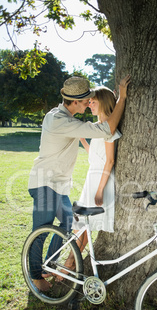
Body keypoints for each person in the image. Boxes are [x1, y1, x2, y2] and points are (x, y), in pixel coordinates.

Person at [28, 75, 130, 291]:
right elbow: (107, 130)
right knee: (42, 230)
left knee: (67, 224)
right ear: (75, 102)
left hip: (58, 185)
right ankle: (36, 276)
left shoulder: (63, 119)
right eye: (86, 101)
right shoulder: (60, 121)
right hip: (45, 183)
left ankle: (50, 265)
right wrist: (121, 97)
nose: (88, 103)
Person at [67, 87, 120, 266]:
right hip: (93, 178)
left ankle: (68, 266)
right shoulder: (98, 128)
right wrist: (82, 140)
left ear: (103, 102)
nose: (89, 105)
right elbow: (97, 156)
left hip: (100, 182)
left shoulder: (108, 130)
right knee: (80, 226)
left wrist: (99, 190)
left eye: (93, 102)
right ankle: (69, 264)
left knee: (84, 227)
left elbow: (109, 161)